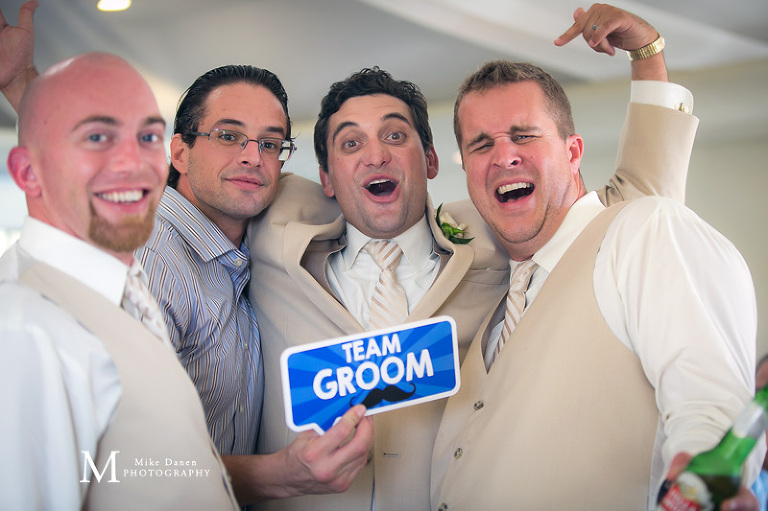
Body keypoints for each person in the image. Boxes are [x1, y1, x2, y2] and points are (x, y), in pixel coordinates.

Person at [248, 4, 698, 510]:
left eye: (395, 136)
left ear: (431, 160)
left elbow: (624, 207)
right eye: (351, 143)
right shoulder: (276, 235)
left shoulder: (495, 233)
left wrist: (648, 56)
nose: (376, 156)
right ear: (326, 178)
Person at [0, 4, 374, 506]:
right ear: (179, 153)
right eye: (228, 136)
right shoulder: (150, 258)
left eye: (270, 144)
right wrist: (279, 475)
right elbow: (118, 459)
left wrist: (22, 84)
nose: (253, 156)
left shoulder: (254, 237)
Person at [429, 12, 762, 509]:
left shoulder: (641, 230)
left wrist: (702, 473)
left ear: (573, 153)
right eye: (481, 144)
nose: (503, 156)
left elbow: (705, 395)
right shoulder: (489, 292)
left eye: (524, 135)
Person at [0, 51, 239, 510]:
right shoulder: (26, 328)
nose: (134, 161)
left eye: (147, 136)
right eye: (97, 137)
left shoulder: (120, 279)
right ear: (27, 173)